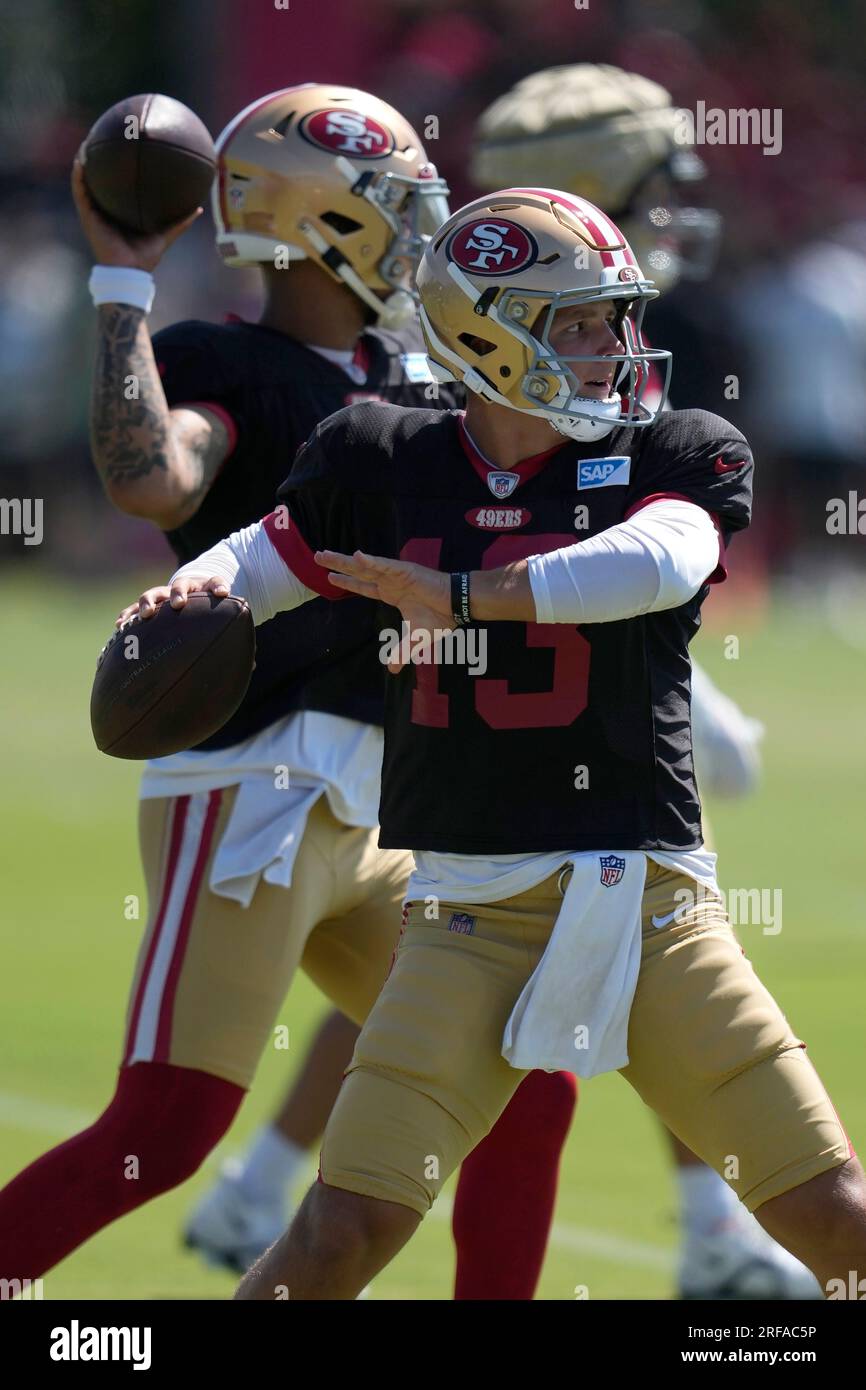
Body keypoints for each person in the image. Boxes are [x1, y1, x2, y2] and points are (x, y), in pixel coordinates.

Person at [124, 187, 865, 1301]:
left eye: (612, 317)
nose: (609, 346)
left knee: (831, 1215)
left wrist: (462, 595)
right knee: (335, 1237)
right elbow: (257, 558)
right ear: (483, 332)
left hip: (650, 909)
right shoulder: (380, 457)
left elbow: (656, 561)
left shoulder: (670, 446)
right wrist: (183, 595)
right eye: (574, 322)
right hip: (461, 918)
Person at [0, 86, 573, 1300]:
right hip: (253, 789)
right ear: (335, 225)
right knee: (161, 1132)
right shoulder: (226, 365)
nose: (422, 234)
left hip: (387, 802)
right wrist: (120, 279)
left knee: (525, 1073)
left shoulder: (405, 381)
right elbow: (153, 478)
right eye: (400, 210)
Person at [468, 62, 807, 1299]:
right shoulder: (490, 364)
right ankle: (718, 1229)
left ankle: (714, 1226)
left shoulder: (592, 352)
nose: (677, 207)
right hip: (453, 732)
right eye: (653, 182)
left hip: (561, 719)